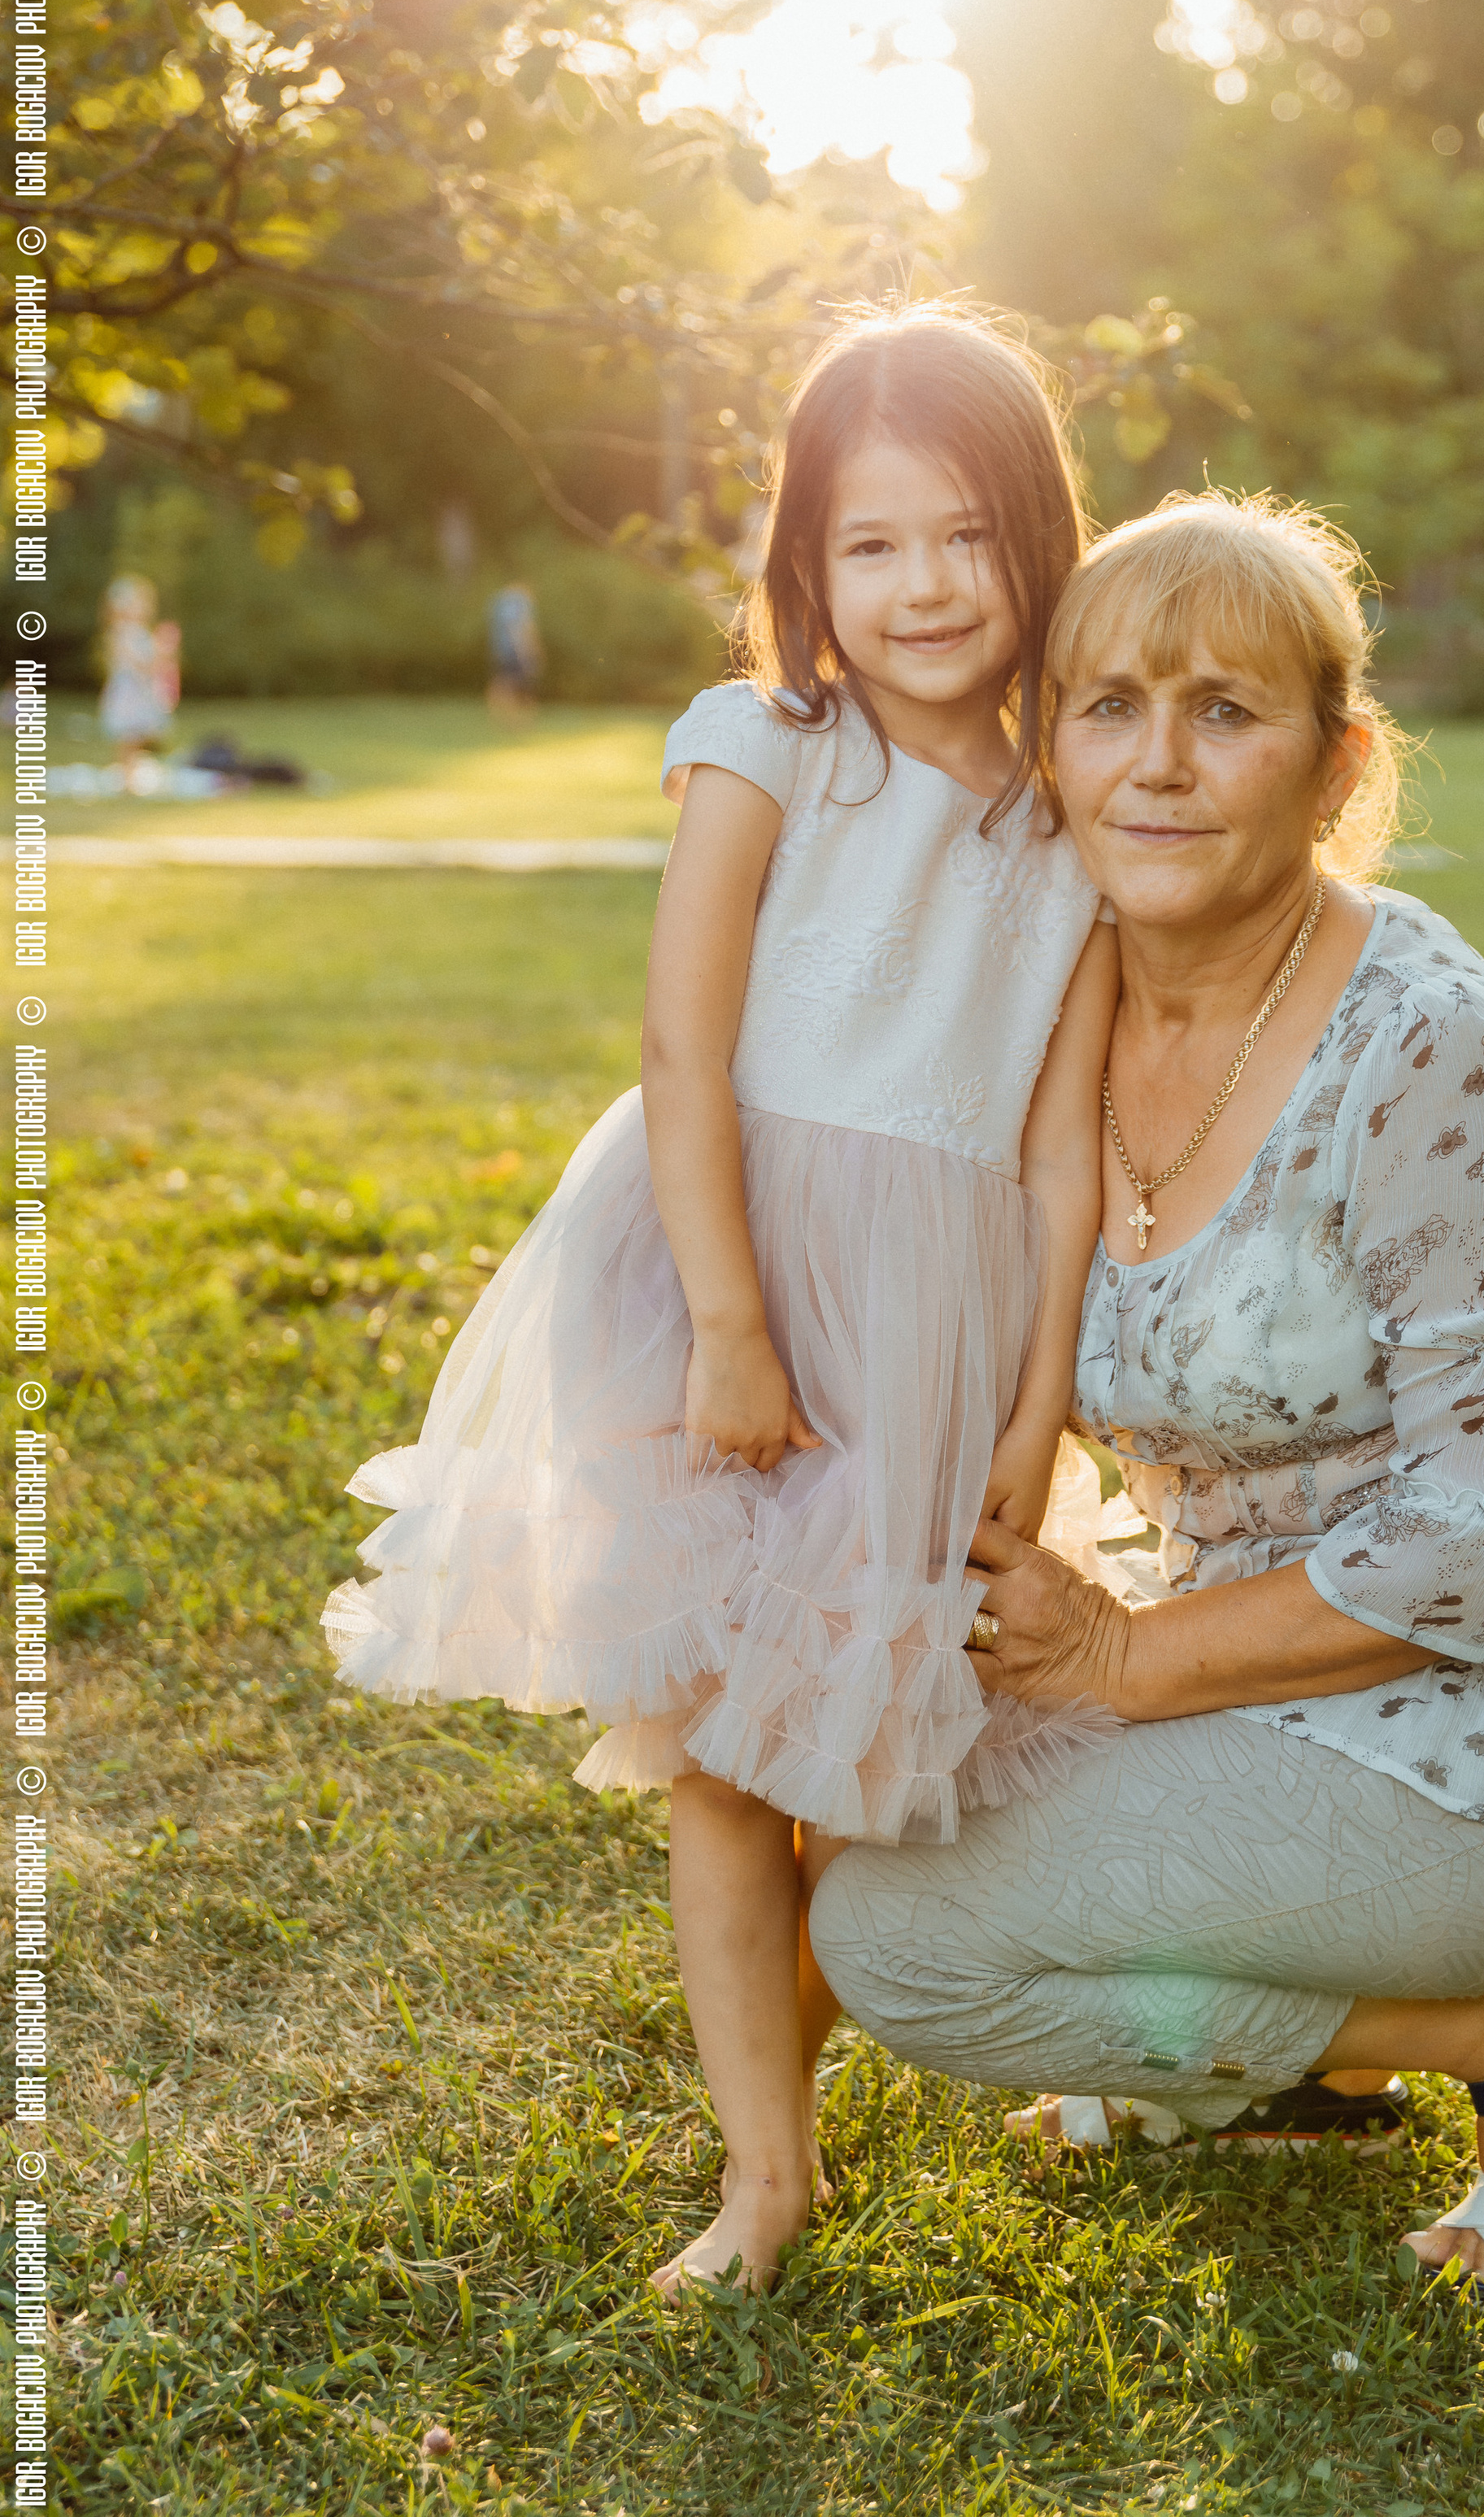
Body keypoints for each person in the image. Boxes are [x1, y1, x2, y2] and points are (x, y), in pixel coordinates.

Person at [809, 491, 1484, 2301]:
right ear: (1048, 750)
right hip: (1249, 1691)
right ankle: (1301, 2065)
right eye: (1107, 707)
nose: (1158, 766)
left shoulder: (1424, 1035)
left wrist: (1112, 1663)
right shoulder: (1048, 1003)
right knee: (865, 1808)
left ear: (1333, 770)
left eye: (1223, 712)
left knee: (904, 1948)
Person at [323, 307, 1120, 2295]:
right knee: (720, 1748)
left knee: (877, 1734)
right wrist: (730, 1319)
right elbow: (685, 1051)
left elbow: (1056, 1150)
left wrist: (1030, 1410)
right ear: (804, 564)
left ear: (1038, 534)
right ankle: (768, 2173)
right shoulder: (764, 746)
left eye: (963, 535)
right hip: (726, 1261)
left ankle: (951, 2032)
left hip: (938, 1314)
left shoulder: (1069, 817)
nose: (922, 583)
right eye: (870, 542)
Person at [98, 573, 181, 781]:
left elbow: (151, 661)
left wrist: (162, 654)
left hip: (142, 689)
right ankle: (127, 778)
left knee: (140, 734)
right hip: (129, 690)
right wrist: (155, 658)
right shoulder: (121, 632)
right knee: (128, 736)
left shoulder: (142, 631)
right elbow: (134, 661)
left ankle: (131, 773)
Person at [485, 579, 543, 721]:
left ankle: (506, 716)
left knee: (505, 680)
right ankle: (514, 719)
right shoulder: (518, 601)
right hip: (514, 650)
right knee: (513, 682)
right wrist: (525, 651)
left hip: (502, 649)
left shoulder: (499, 600)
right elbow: (519, 628)